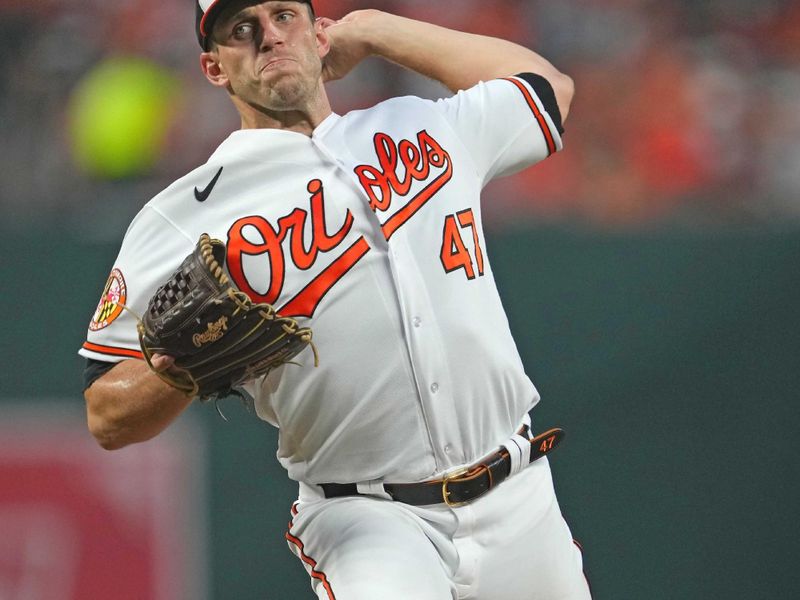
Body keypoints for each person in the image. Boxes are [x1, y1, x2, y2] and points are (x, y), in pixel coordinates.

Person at [80, 1, 590, 598]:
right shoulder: (181, 214)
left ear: (319, 34)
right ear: (214, 68)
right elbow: (104, 414)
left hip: (518, 493)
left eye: (284, 15)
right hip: (370, 519)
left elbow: (547, 90)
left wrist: (377, 31)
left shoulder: (418, 126)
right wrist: (180, 375)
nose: (269, 37)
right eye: (242, 30)